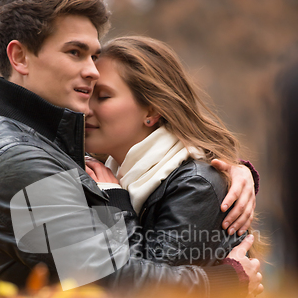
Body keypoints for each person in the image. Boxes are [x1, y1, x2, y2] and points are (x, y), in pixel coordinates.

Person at [0, 0, 261, 298]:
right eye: (75, 52)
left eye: (93, 55)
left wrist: (229, 170)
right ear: (20, 57)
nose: (92, 71)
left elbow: (172, 165)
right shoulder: (22, 160)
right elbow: (113, 282)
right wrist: (227, 282)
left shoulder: (47, 144)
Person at [84, 36, 260, 268]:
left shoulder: (195, 186)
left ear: (152, 110)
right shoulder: (104, 172)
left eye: (103, 96)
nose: (85, 109)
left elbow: (149, 293)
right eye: (86, 94)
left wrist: (116, 205)